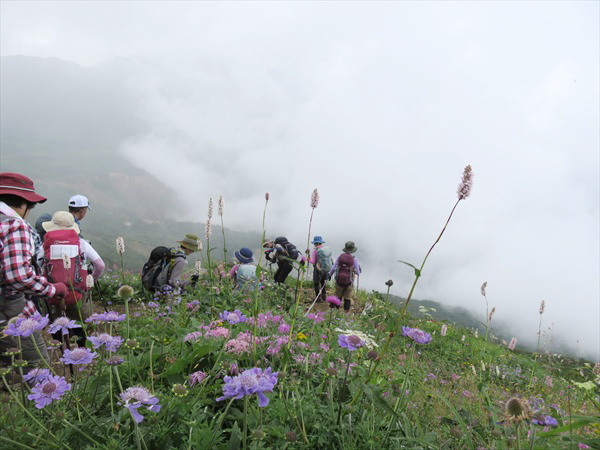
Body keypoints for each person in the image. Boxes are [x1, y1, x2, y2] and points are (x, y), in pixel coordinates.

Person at [0, 172, 68, 374]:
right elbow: (19, 275)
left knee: (8, 372)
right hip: (12, 317)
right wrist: (53, 289)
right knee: (37, 371)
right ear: (24, 204)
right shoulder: (14, 224)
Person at [42, 211, 105, 346]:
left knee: (57, 326)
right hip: (77, 293)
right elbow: (100, 265)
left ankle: (61, 351)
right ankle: (82, 351)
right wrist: (90, 281)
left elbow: (37, 266)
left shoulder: (45, 245)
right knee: (80, 325)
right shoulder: (81, 243)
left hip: (53, 293)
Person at [328, 241, 361, 313]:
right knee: (347, 298)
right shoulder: (354, 259)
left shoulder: (340, 256)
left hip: (339, 281)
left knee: (337, 296)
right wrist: (355, 270)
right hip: (349, 282)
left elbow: (334, 267)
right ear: (352, 250)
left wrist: (330, 274)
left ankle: (334, 312)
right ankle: (346, 315)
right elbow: (358, 272)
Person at [307, 236, 333, 302]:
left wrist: (308, 259)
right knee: (323, 282)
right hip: (325, 269)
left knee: (316, 283)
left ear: (316, 243)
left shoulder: (315, 251)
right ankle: (324, 296)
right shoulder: (325, 250)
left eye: (314, 243)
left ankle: (318, 298)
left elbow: (314, 262)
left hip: (318, 269)